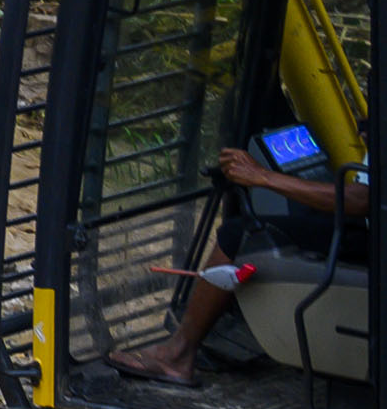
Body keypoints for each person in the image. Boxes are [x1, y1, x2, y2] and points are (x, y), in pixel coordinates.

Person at [116, 144, 368, 385]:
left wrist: (262, 176)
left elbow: (362, 200)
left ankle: (177, 355)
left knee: (237, 235)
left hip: (379, 244)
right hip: (383, 233)